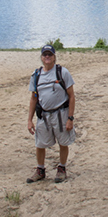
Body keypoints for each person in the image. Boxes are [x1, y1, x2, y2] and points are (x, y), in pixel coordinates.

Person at [27, 44, 76, 183]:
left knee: (63, 142)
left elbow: (71, 96)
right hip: (43, 116)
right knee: (40, 144)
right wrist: (29, 120)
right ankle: (40, 170)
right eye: (45, 55)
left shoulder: (62, 72)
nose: (47, 57)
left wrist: (70, 118)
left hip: (61, 114)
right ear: (41, 57)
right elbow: (33, 98)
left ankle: (61, 169)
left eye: (50, 55)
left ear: (54, 57)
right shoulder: (36, 75)